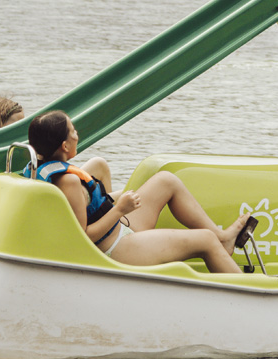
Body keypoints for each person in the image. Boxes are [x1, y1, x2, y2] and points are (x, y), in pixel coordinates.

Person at [25, 111, 249, 273]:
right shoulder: (69, 183)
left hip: (119, 230)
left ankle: (223, 238)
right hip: (114, 250)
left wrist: (118, 202)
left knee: (166, 180)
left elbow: (88, 207)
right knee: (205, 240)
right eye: (73, 131)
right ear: (64, 146)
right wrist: (120, 209)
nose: (77, 134)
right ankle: (253, 297)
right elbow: (83, 237)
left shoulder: (38, 168)